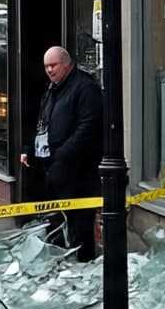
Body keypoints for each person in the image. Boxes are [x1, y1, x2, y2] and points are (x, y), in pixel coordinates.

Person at [19, 46, 103, 261]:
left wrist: (63, 154)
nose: (49, 70)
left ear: (66, 63)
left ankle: (83, 265)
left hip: (77, 172)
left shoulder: (84, 88)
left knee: (79, 227)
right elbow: (43, 124)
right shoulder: (52, 89)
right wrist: (30, 149)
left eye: (53, 65)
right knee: (55, 222)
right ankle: (59, 262)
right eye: (46, 66)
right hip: (52, 168)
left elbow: (89, 126)